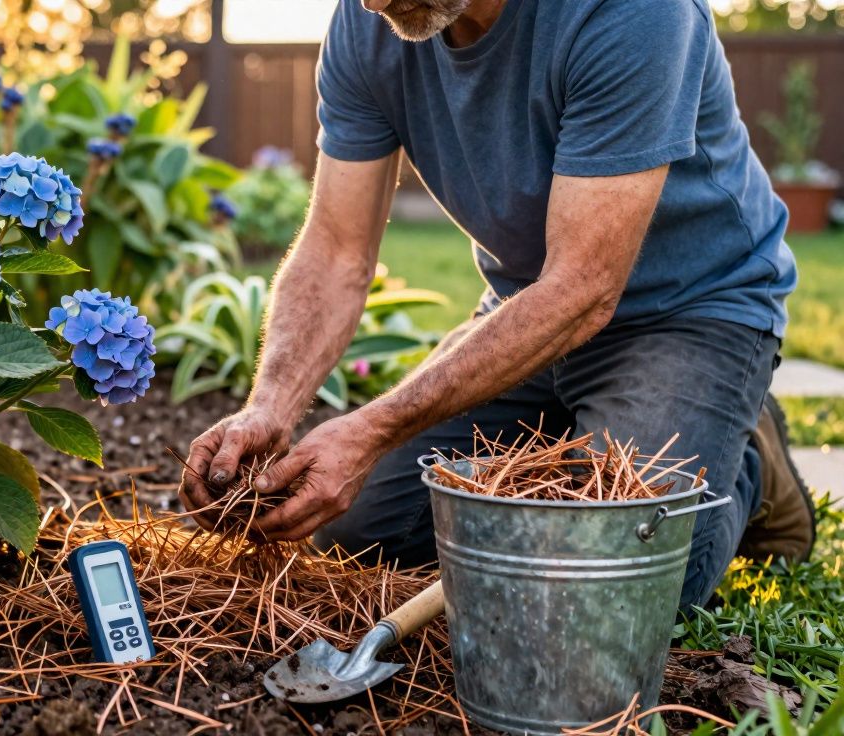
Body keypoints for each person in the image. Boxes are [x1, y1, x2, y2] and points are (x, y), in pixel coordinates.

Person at [178, 0, 816, 608]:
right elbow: (337, 250)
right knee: (362, 538)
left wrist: (371, 430)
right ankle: (586, 440)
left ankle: (749, 464)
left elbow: (583, 287)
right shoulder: (366, 20)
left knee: (613, 582)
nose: (372, 5)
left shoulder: (630, 11)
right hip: (525, 308)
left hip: (690, 312)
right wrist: (270, 406)